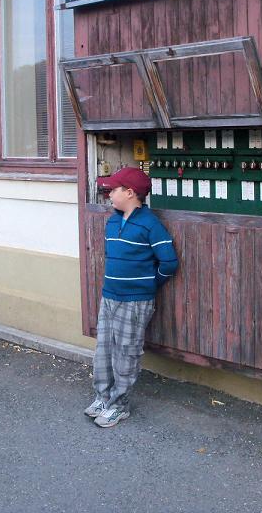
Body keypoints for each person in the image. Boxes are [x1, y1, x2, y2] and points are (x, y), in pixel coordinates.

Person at [85, 167, 178, 427]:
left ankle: (119, 405)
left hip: (135, 301)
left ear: (129, 192)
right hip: (109, 297)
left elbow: (169, 263)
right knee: (103, 350)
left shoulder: (150, 224)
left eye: (113, 190)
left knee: (126, 353)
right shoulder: (113, 221)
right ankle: (103, 397)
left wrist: (147, 284)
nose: (109, 194)